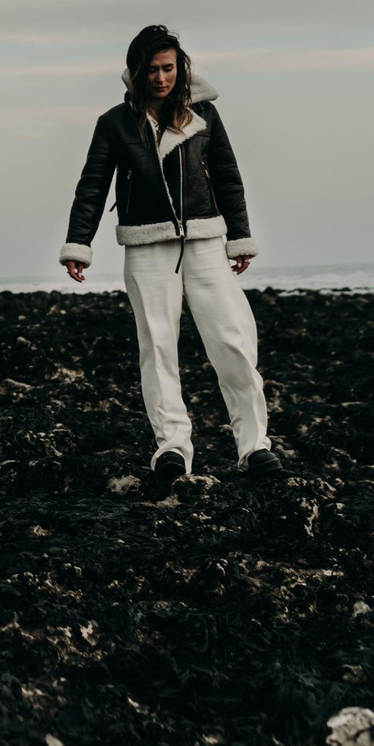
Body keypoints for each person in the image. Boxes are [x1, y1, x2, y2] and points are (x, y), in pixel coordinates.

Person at [60, 24, 285, 485]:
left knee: (232, 341)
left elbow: (228, 177)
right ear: (136, 72)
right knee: (158, 347)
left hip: (205, 241)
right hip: (146, 246)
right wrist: (79, 243)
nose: (161, 78)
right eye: (152, 70)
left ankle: (254, 446)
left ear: (181, 68)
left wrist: (240, 237)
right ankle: (172, 448)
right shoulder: (115, 123)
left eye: (168, 68)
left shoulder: (205, 115)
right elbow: (92, 185)